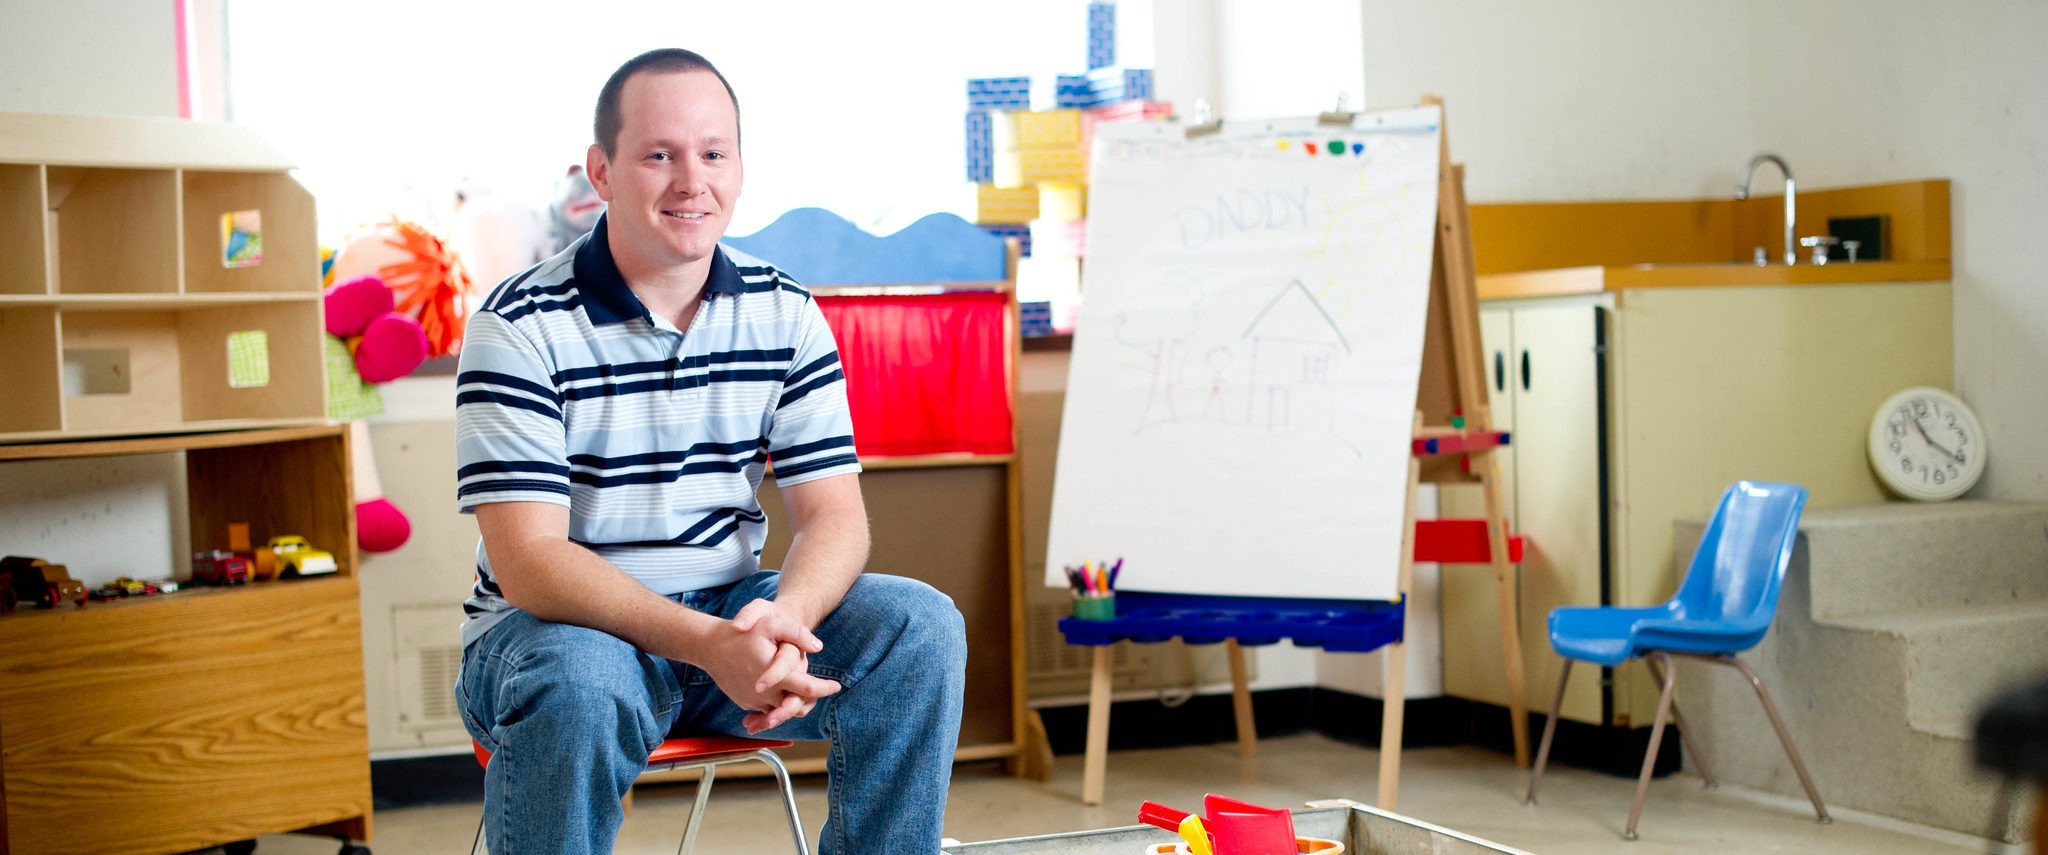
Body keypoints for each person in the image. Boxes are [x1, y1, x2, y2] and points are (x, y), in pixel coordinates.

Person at [453, 48, 967, 855]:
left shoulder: (785, 312)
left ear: (739, 167)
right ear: (603, 172)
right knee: (581, 683)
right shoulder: (517, 326)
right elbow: (530, 563)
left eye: (713, 153)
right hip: (558, 638)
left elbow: (834, 518)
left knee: (921, 628)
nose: (693, 180)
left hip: (728, 614)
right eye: (659, 155)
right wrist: (709, 647)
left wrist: (783, 623)